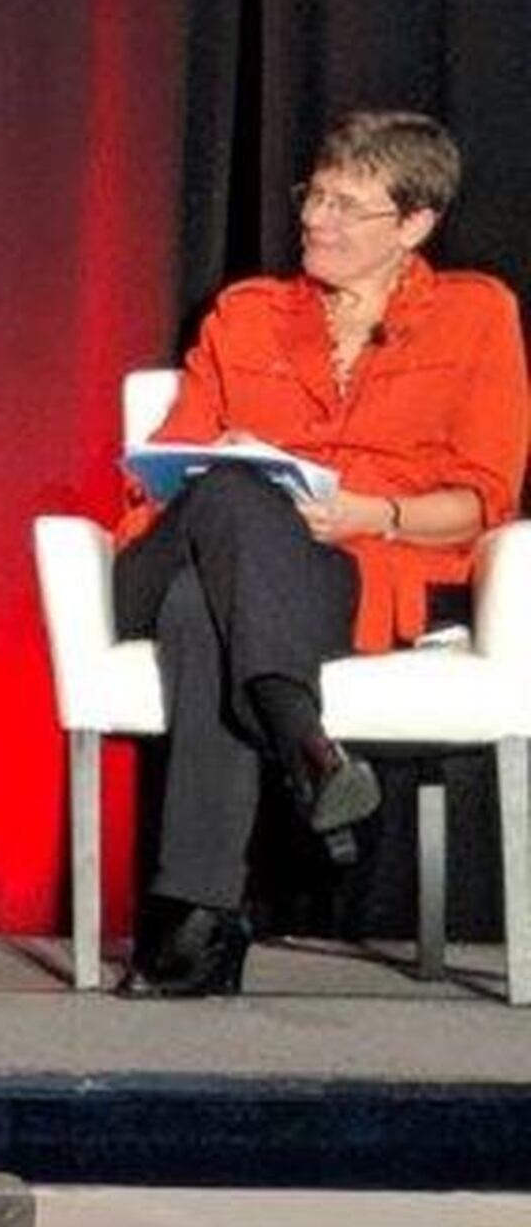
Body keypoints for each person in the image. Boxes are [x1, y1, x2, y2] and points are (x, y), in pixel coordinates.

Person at [109, 109, 530, 997]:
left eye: (348, 205)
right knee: (230, 489)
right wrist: (228, 481)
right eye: (315, 196)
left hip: (347, 572)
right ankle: (301, 741)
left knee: (202, 612)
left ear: (414, 225)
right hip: (181, 542)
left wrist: (371, 513)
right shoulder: (247, 314)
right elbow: (172, 469)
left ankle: (196, 923)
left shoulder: (477, 315)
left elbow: (482, 498)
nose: (316, 219)